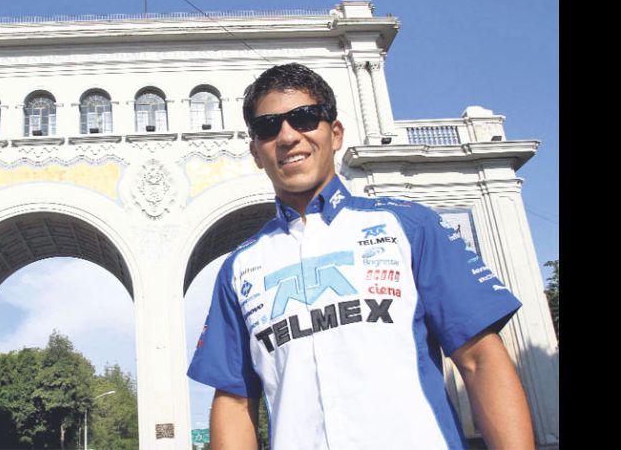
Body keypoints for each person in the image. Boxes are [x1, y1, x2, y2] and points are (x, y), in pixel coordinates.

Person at [187, 63, 534, 450]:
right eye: (268, 127)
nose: (287, 136)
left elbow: (480, 359)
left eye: (304, 118)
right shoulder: (239, 269)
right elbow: (234, 402)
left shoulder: (410, 227)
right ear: (255, 151)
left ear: (335, 133)